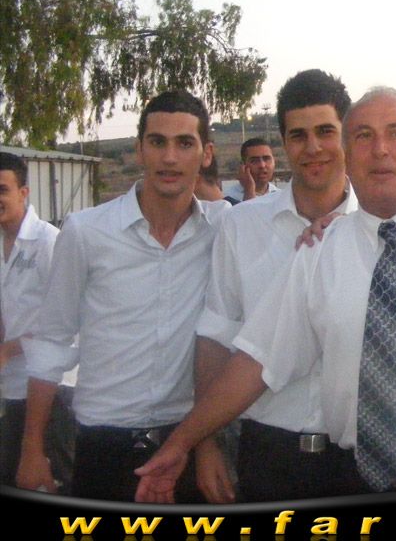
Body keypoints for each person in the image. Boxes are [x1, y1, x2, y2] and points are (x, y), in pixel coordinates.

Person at [134, 86, 396, 502]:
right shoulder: (319, 251)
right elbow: (258, 360)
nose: (380, 149)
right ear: (347, 154)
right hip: (353, 484)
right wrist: (183, 443)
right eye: (363, 136)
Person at [16, 89, 229, 502]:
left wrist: (326, 223)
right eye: (158, 142)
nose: (170, 157)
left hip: (187, 440)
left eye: (184, 143)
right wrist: (32, 448)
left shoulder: (224, 228)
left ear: (206, 154)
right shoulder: (86, 231)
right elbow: (52, 339)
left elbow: (285, 220)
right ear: (139, 149)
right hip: (103, 444)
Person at [190, 69, 358, 503]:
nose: (313, 147)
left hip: (362, 459)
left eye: (326, 131)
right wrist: (205, 443)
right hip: (269, 455)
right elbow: (215, 337)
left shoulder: (381, 228)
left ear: (347, 134)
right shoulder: (241, 226)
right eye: (298, 135)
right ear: (284, 142)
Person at [0, 152, 77, 493]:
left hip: (51, 389)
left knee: (55, 484)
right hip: (12, 389)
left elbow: (67, 321)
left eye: (2, 190)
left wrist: (8, 350)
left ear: (24, 192)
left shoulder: (48, 242)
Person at [225, 137, 279, 202]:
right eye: (254, 161)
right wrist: (249, 190)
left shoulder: (281, 196)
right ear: (243, 165)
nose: (262, 165)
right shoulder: (229, 198)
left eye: (266, 159)